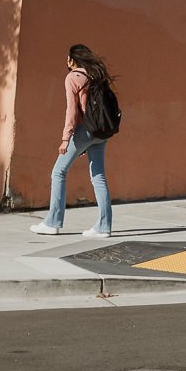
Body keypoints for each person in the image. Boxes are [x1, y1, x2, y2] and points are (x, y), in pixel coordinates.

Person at [32, 44, 117, 237]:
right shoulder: (96, 75)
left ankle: (52, 222)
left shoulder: (73, 77)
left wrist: (65, 139)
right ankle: (104, 226)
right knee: (98, 177)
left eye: (67, 60)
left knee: (58, 172)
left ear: (72, 60)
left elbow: (71, 111)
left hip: (84, 131)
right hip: (101, 132)